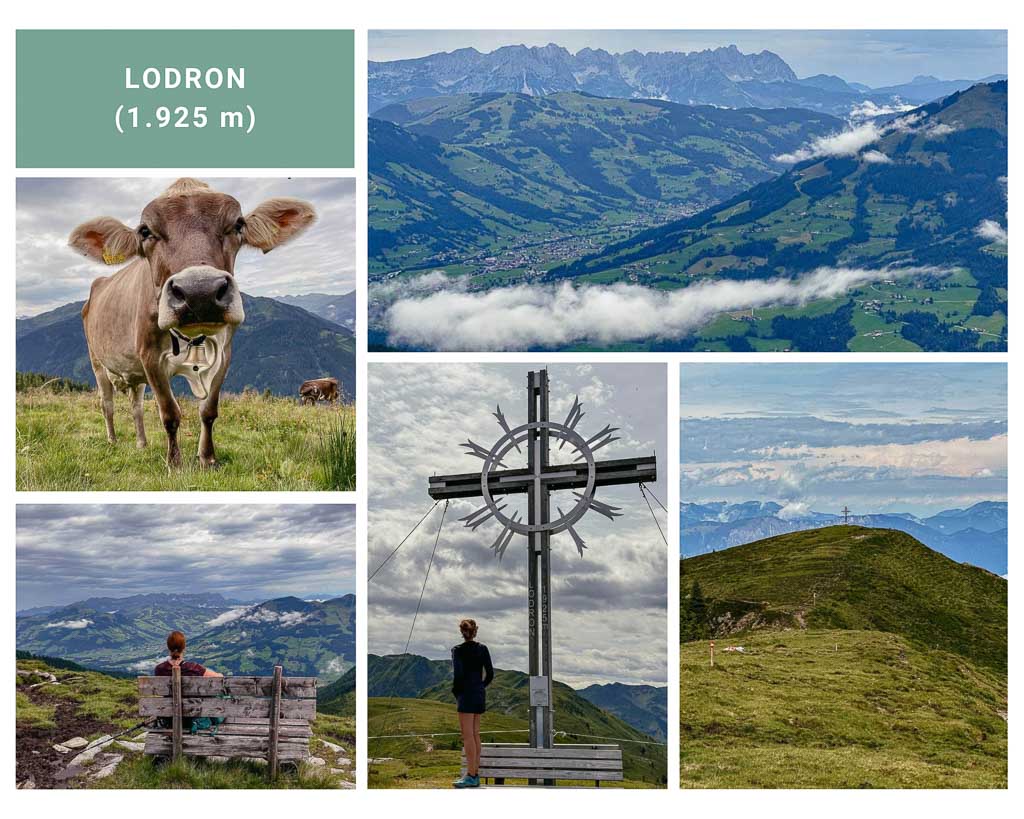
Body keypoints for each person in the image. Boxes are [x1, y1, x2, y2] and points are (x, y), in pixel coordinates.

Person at [451, 618, 493, 789]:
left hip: (465, 695)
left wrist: (457, 692)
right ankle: (474, 773)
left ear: (462, 632)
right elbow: (490, 674)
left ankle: (471, 775)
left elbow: (458, 675)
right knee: (475, 734)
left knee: (467, 736)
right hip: (478, 694)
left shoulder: (457, 650)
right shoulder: (483, 649)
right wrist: (480, 687)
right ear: (476, 631)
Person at [153, 631, 222, 733]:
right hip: (192, 717)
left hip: (169, 718)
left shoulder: (159, 669)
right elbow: (219, 678)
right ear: (184, 647)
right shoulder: (193, 668)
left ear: (168, 647)